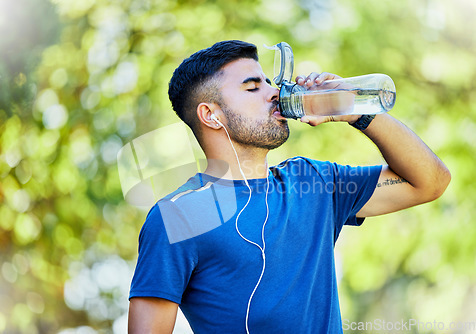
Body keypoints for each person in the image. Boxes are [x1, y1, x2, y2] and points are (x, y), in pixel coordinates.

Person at [127, 40, 450, 333]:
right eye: (253, 88)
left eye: (269, 82)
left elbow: (430, 182)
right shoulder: (178, 216)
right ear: (211, 115)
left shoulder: (314, 183)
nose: (274, 93)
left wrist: (354, 108)